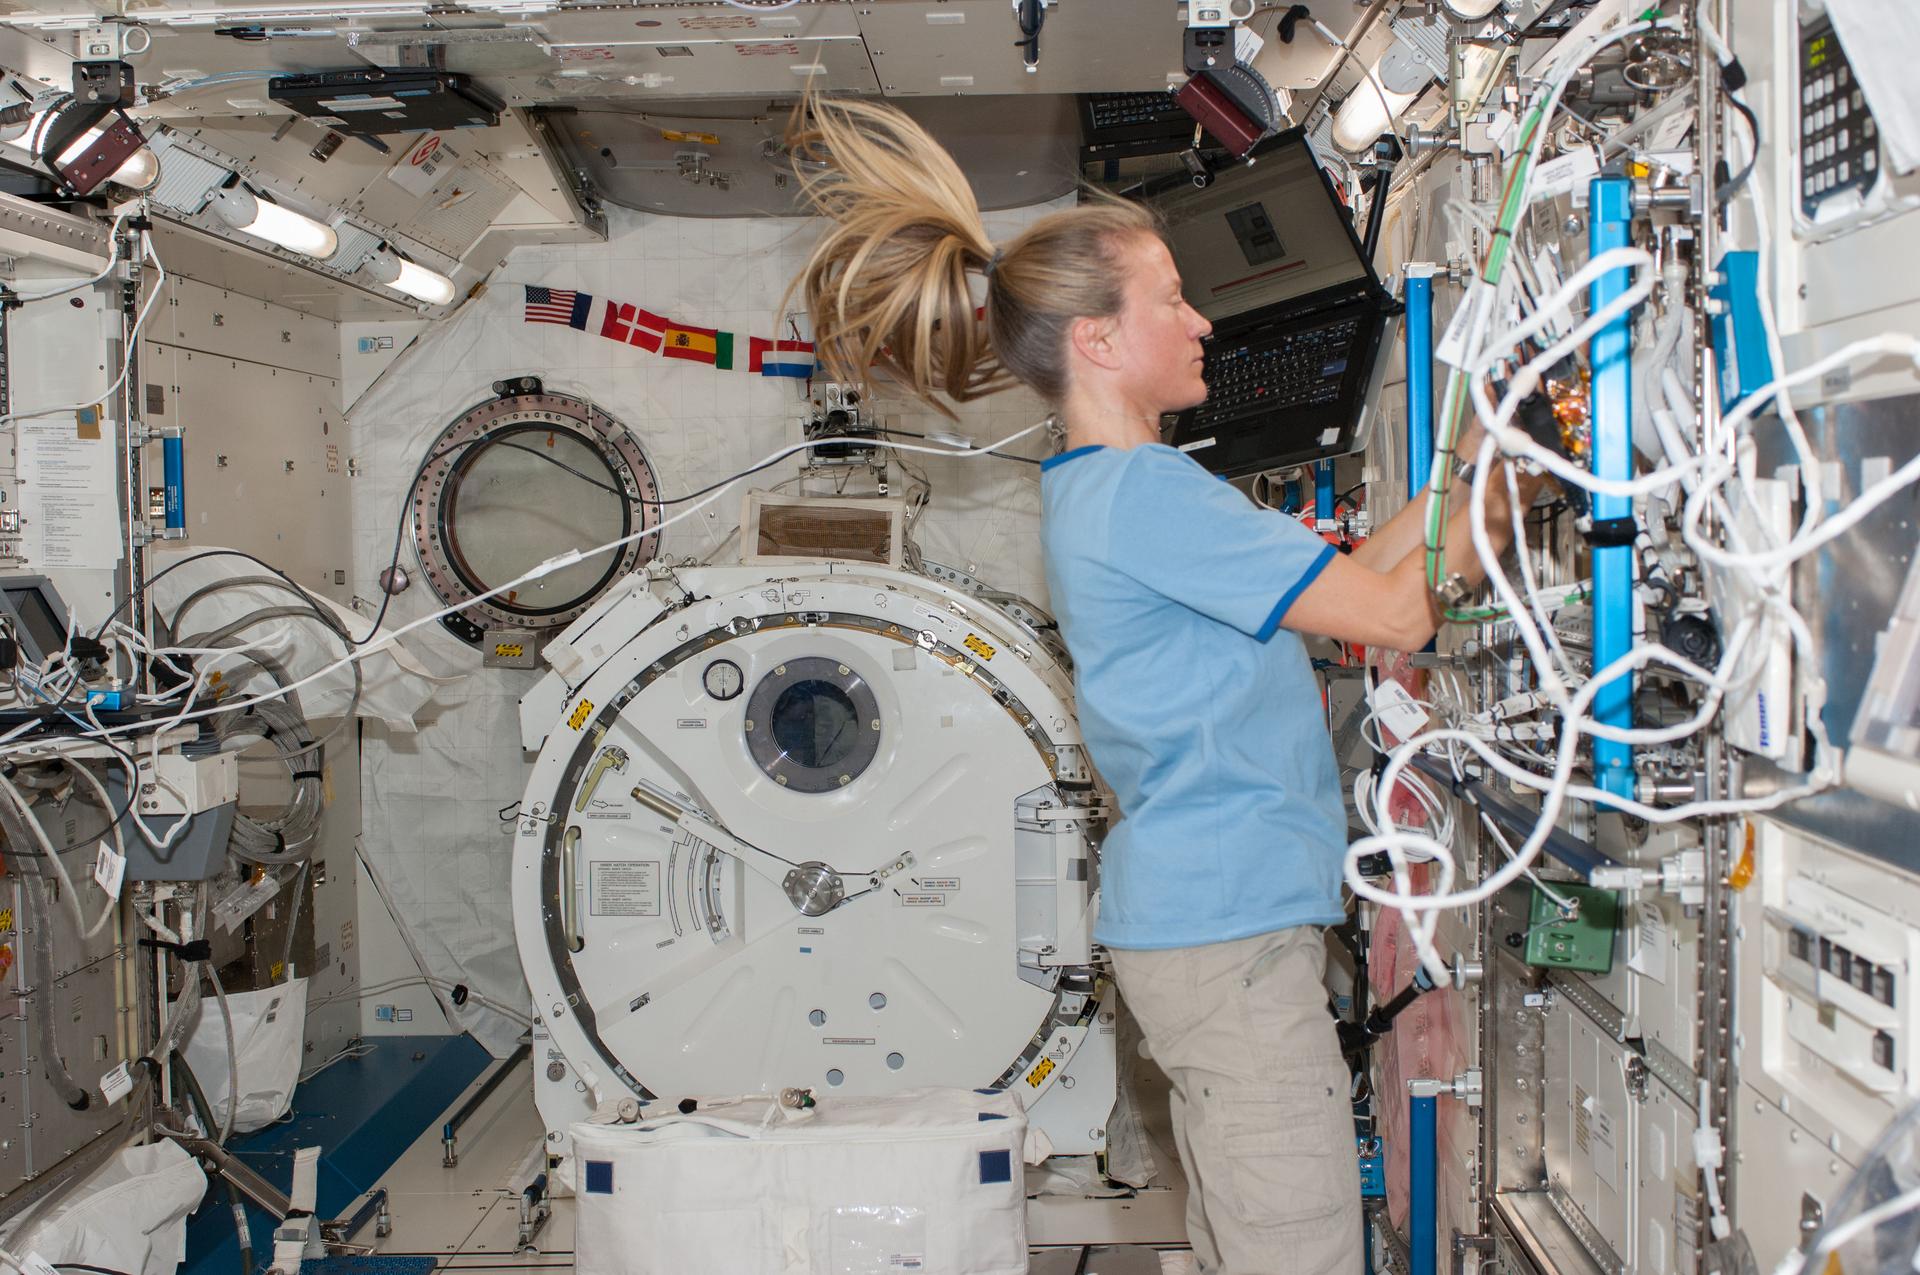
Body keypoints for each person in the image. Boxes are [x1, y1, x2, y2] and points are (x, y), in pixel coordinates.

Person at [787, 95, 1547, 1275]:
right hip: (1226, 942)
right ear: (1098, 340)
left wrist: (1470, 469)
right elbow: (1398, 616)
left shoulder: (1106, 486)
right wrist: (1516, 487)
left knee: (1245, 1236)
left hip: (1205, 935)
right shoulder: (1147, 496)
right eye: (1172, 299)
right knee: (1296, 1252)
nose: (1202, 322)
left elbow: (1351, 578)